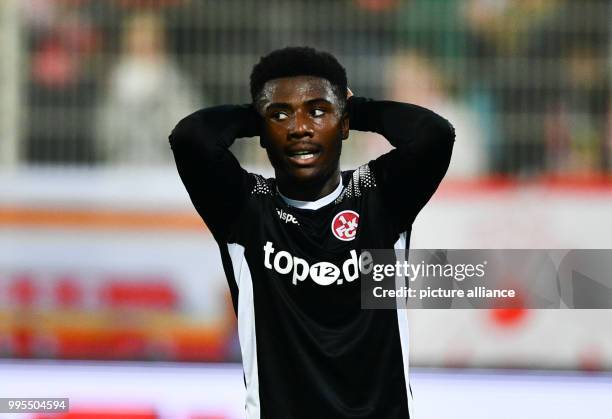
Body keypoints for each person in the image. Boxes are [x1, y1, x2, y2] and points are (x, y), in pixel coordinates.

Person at [169, 46, 454, 419]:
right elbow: (191, 138)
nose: (300, 127)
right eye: (281, 115)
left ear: (344, 123)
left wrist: (356, 108)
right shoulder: (247, 209)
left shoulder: (380, 197)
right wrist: (259, 115)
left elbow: (435, 135)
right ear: (262, 132)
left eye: (318, 112)